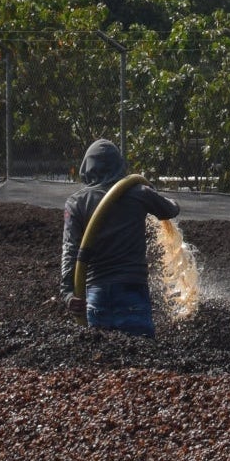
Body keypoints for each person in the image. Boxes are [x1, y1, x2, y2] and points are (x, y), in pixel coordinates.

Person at [58, 138, 179, 335]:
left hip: (95, 295)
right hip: (132, 293)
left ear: (86, 167)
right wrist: (150, 191)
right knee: (143, 358)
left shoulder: (76, 202)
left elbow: (70, 250)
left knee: (102, 359)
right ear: (120, 166)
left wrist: (68, 294)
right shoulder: (139, 193)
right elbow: (172, 209)